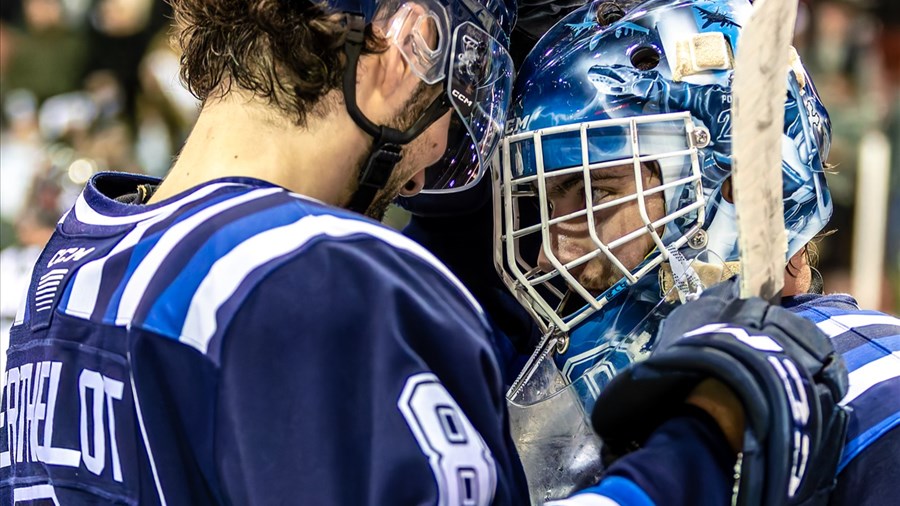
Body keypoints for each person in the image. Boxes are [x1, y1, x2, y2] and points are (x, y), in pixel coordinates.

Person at [0, 0, 532, 503]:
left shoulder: (65, 265)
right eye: (462, 90)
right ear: (412, 40)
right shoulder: (317, 277)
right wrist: (618, 486)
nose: (430, 164)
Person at [405, 0, 898, 504]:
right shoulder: (631, 402)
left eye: (596, 194)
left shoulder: (876, 394)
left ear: (732, 187)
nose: (548, 258)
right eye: (549, 204)